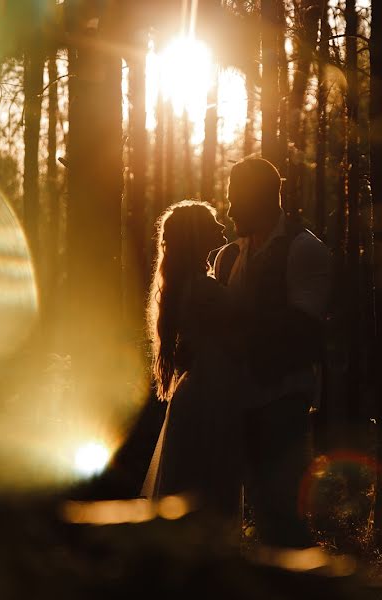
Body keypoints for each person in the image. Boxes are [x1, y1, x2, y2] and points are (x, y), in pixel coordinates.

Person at [214, 157, 331, 548]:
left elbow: (304, 328)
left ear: (262, 199)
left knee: (282, 510)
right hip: (237, 400)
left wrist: (239, 331)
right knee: (252, 513)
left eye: (236, 200)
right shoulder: (227, 256)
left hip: (283, 398)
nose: (229, 210)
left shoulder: (304, 249)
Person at [141, 200, 244, 522]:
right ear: (196, 234)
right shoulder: (203, 289)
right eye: (212, 222)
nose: (221, 226)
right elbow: (245, 327)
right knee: (209, 485)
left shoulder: (189, 285)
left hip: (203, 389)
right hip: (210, 395)